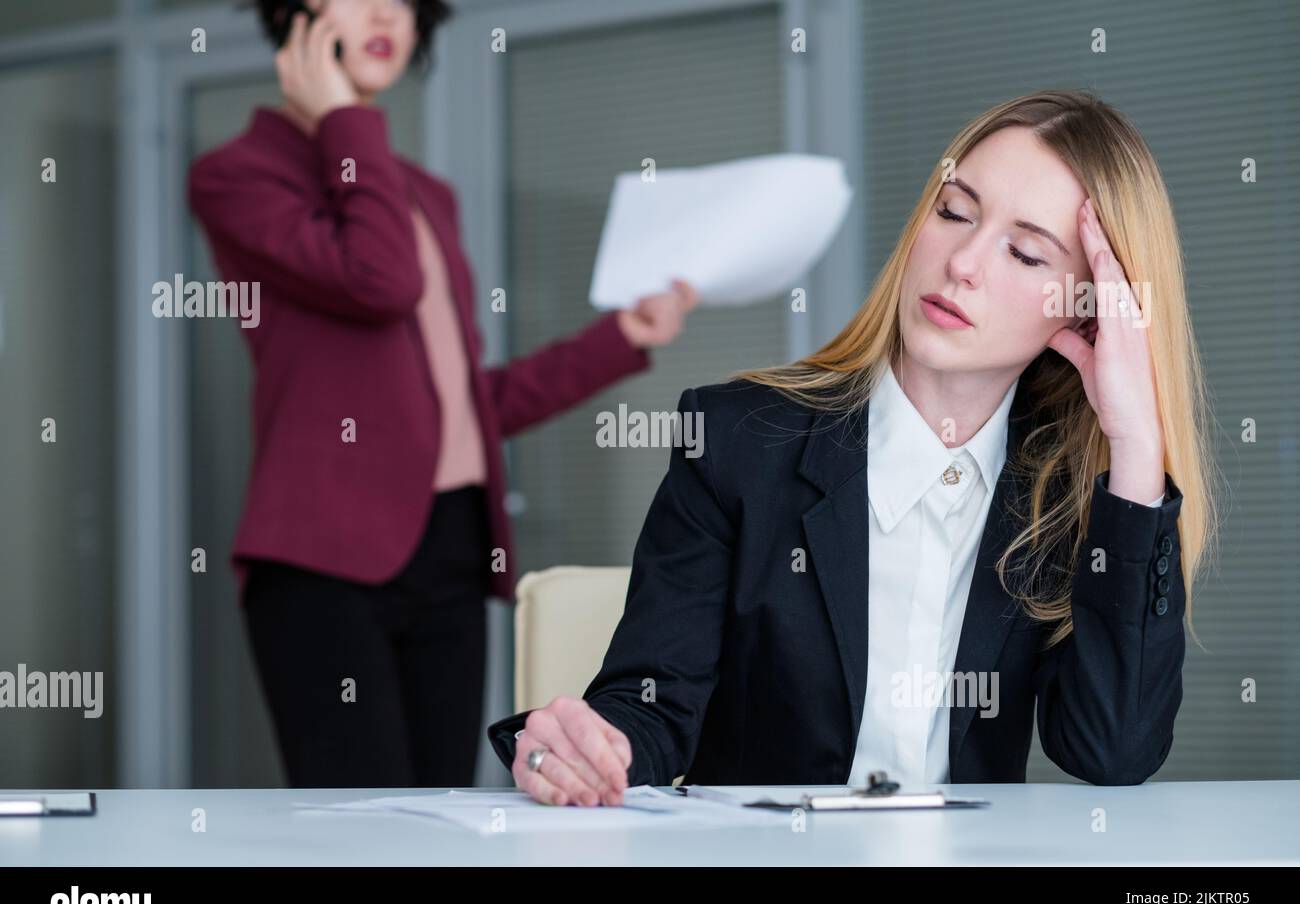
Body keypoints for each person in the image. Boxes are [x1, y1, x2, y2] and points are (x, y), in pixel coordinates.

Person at [486, 89, 1218, 805]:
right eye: (954, 211)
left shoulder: (1066, 499)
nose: (963, 262)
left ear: (1091, 313)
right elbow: (652, 709)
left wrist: (1133, 443)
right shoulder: (735, 441)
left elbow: (1111, 751)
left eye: (1025, 253)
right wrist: (588, 750)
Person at [187, 0, 698, 787]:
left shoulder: (422, 193)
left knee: (441, 818)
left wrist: (620, 336)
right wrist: (342, 121)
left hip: (452, 546)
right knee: (361, 830)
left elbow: (465, 407)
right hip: (324, 559)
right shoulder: (238, 175)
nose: (390, 14)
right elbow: (381, 281)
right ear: (298, 16)